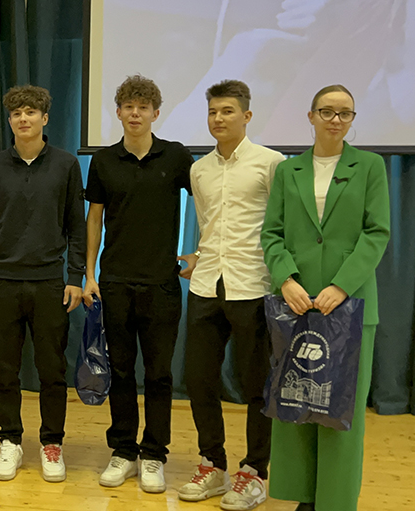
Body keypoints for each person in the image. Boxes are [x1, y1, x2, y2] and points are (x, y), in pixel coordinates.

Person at [260, 85, 390, 511]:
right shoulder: (288, 170)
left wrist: (341, 285)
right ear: (311, 116)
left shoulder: (369, 166)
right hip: (296, 304)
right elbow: (272, 233)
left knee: (340, 409)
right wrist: (286, 279)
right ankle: (302, 496)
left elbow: (376, 232)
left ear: (352, 120)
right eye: (327, 111)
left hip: (349, 307)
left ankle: (334, 500)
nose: (336, 120)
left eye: (345, 113)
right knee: (295, 399)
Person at [176, 80, 284, 510]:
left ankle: (254, 472)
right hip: (206, 284)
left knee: (256, 384)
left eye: (227, 111)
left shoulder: (271, 163)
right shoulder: (199, 169)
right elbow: (208, 223)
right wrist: (198, 255)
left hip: (253, 285)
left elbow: (281, 225)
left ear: (247, 116)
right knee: (199, 378)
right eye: (213, 112)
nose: (218, 119)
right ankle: (212, 464)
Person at [84, 75, 194, 494]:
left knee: (160, 375)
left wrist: (198, 251)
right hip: (114, 282)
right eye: (128, 106)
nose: (135, 113)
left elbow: (206, 202)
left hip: (162, 284)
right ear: (118, 113)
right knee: (121, 370)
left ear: (155, 113)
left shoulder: (177, 156)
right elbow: (95, 218)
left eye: (143, 107)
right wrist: (89, 273)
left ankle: (154, 455)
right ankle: (124, 451)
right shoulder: (103, 160)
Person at [0, 85, 85, 483]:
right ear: (10, 120)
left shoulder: (66, 165)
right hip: (2, 283)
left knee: (52, 370)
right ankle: (10, 441)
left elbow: (76, 225)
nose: (24, 119)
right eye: (17, 113)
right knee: (4, 370)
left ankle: (52, 444)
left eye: (31, 112)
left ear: (44, 118)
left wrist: (75, 277)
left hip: (50, 283)